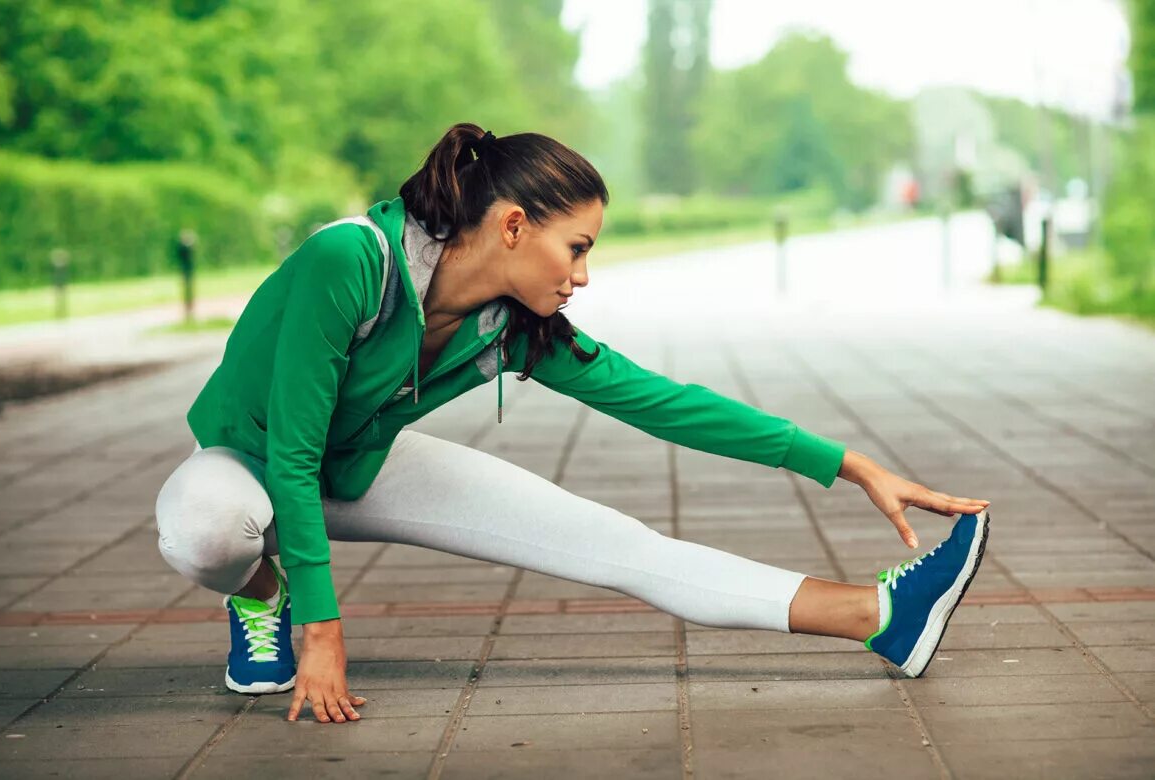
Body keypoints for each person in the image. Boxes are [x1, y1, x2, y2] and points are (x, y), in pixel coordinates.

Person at [154, 122, 992, 725]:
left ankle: (883, 618)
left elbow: (667, 404)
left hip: (357, 468)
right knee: (208, 532)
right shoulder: (351, 262)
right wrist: (321, 631)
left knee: (626, 546)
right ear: (514, 225)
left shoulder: (510, 323)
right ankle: (263, 595)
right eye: (578, 247)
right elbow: (291, 455)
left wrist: (846, 464)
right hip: (249, 460)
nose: (584, 274)